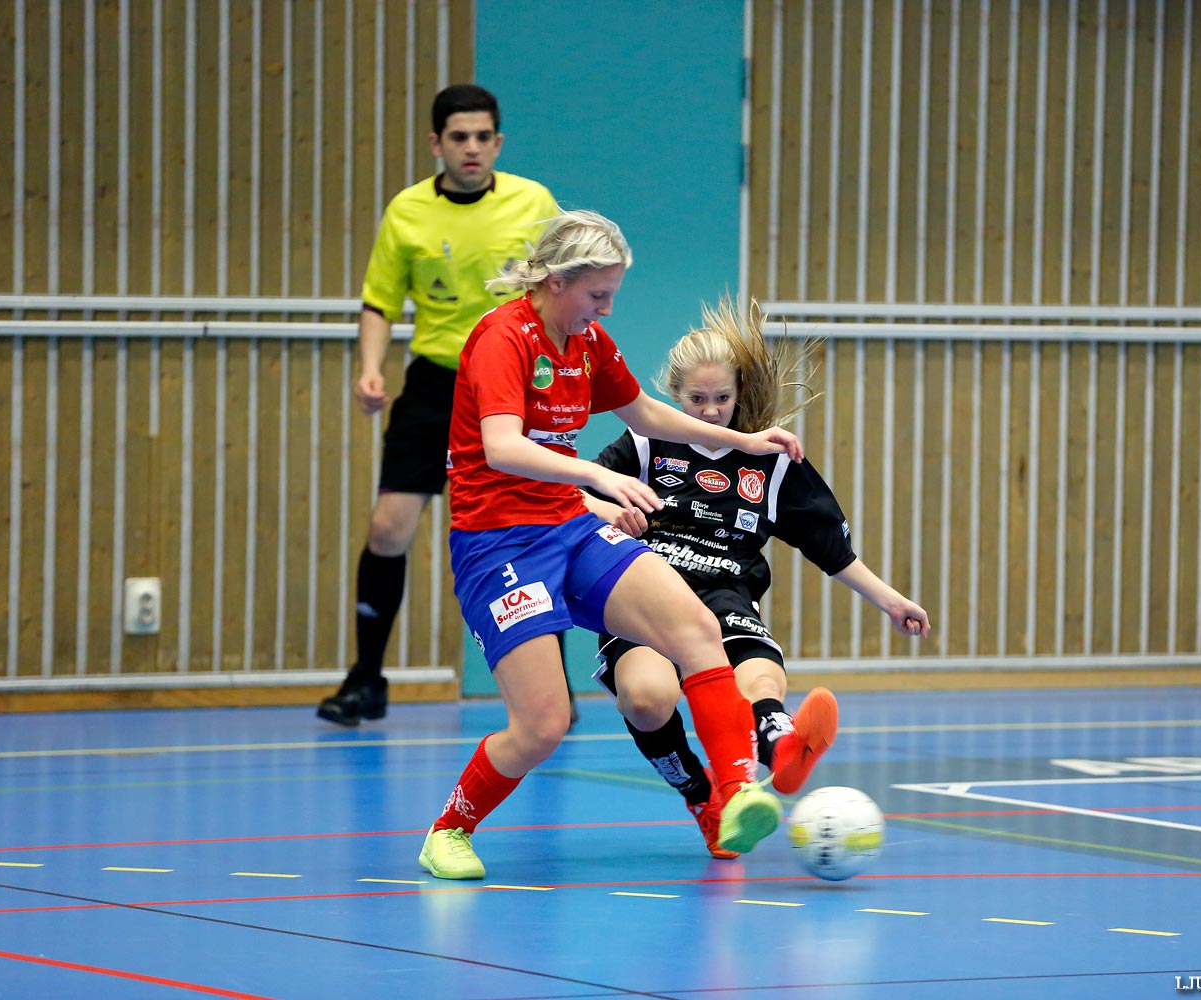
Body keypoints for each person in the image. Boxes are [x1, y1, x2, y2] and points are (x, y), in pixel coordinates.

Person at [418, 210, 803, 880]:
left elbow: (645, 412)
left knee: (695, 627)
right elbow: (502, 446)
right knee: (542, 724)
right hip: (498, 544)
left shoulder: (588, 339)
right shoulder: (502, 338)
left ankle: (735, 790)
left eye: (613, 295)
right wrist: (598, 473)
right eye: (597, 294)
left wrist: (742, 442)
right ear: (557, 280)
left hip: (569, 529)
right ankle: (450, 829)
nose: (606, 308)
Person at [584, 296, 931, 859]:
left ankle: (780, 742)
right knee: (647, 698)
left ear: (739, 394)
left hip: (724, 593)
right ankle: (703, 797)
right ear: (675, 394)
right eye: (697, 399)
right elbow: (570, 496)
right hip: (643, 592)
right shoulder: (643, 445)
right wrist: (609, 512)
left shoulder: (768, 460)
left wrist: (890, 601)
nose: (710, 410)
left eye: (722, 398)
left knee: (758, 673)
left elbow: (830, 547)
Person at [316, 84, 569, 727]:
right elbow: (379, 300)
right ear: (437, 144)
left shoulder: (533, 203)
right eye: (459, 137)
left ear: (498, 142)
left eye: (484, 137)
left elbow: (565, 284)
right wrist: (370, 369)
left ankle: (555, 687)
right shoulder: (407, 212)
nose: (472, 148)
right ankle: (367, 678)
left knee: (537, 526)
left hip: (514, 380)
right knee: (387, 528)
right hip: (435, 384)